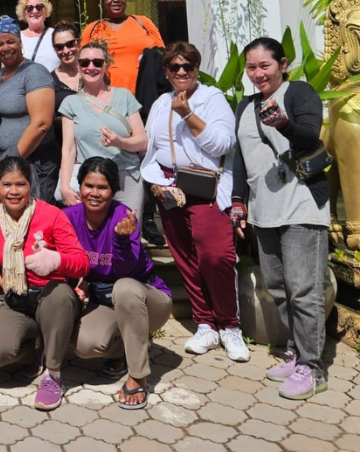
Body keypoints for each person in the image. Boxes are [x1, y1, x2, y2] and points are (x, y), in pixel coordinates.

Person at [0, 156, 89, 411]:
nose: (14, 191)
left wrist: (55, 260)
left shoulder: (52, 215)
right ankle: (38, 346)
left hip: (52, 297)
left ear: (30, 184)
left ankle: (53, 374)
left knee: (58, 296)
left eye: (20, 184)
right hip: (18, 298)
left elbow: (81, 262)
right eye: (7, 184)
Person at [233, 37, 330, 399]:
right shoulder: (245, 105)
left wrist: (284, 124)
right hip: (264, 211)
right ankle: (296, 351)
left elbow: (309, 135)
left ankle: (312, 367)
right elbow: (241, 158)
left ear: (282, 64)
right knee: (278, 288)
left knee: (304, 290)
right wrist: (238, 201)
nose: (258, 74)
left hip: (301, 204)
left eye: (265, 66)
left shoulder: (300, 92)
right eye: (251, 67)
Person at [140, 42, 249, 362]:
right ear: (166, 72)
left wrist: (188, 114)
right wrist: (154, 183)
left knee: (216, 257)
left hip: (205, 189)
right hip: (169, 190)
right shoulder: (161, 103)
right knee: (186, 258)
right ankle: (205, 324)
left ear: (197, 69)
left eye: (188, 66)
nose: (182, 72)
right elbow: (151, 147)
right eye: (174, 67)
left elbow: (223, 143)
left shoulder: (211, 99)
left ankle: (230, 326)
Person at [65, 157, 171, 410]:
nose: (94, 193)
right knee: (85, 345)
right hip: (106, 300)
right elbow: (65, 260)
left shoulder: (125, 218)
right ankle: (122, 353)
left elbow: (126, 271)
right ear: (79, 186)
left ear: (113, 191)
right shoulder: (68, 216)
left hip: (147, 299)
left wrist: (122, 241)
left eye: (102, 187)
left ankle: (138, 375)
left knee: (123, 286)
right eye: (89, 185)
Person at [58, 41, 147, 214]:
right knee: (92, 238)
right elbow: (68, 149)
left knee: (127, 233)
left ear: (107, 65)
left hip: (126, 178)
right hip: (91, 183)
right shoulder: (70, 103)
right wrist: (64, 186)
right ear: (78, 65)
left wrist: (119, 142)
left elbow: (142, 141)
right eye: (85, 62)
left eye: (97, 62)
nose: (91, 67)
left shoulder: (124, 96)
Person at [0, 16, 59, 203]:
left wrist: (11, 162)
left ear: (20, 42)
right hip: (2, 163)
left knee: (34, 221)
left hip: (31, 163)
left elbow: (42, 124)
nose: (5, 48)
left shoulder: (34, 72)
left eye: (11, 41)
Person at [80, 0, 164, 94]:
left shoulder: (144, 23)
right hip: (105, 100)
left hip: (145, 98)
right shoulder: (92, 29)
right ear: (101, 0)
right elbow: (82, 65)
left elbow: (162, 57)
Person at [49, 21, 82, 149]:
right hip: (62, 147)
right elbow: (47, 120)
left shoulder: (93, 72)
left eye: (70, 44)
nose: (66, 51)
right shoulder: (49, 81)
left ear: (78, 42)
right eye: (59, 47)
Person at [16, 0, 61, 72]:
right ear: (23, 12)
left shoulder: (56, 35)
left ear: (46, 9)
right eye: (29, 8)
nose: (35, 11)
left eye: (39, 7)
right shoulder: (17, 38)